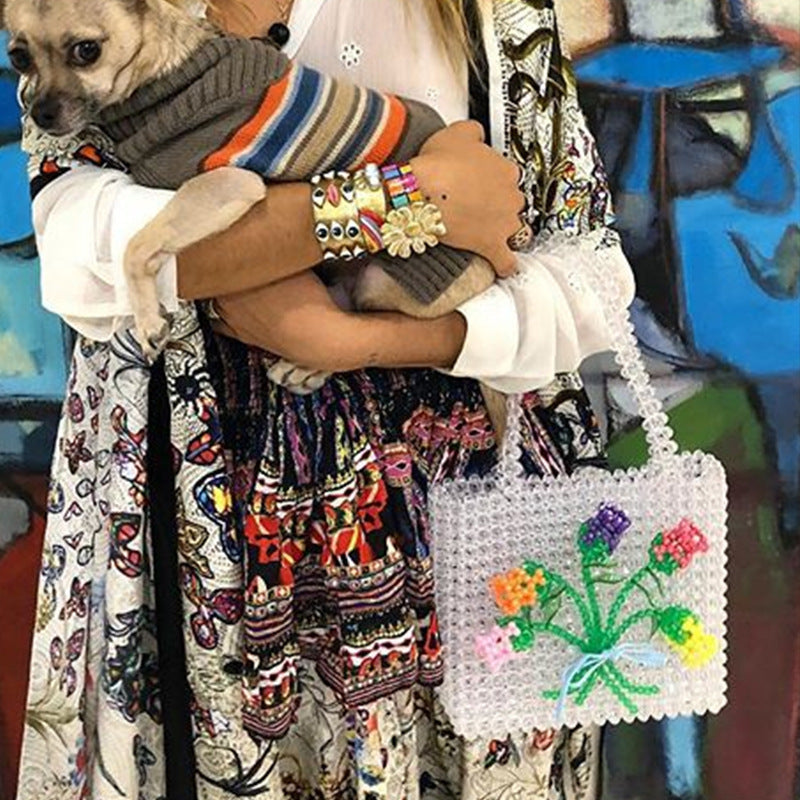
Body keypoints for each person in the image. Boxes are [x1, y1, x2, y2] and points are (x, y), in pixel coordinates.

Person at [17, 1, 635, 798]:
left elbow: (590, 275)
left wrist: (359, 341)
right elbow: (79, 252)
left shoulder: (497, 14)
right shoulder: (84, 14)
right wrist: (413, 198)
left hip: (462, 524)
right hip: (197, 531)